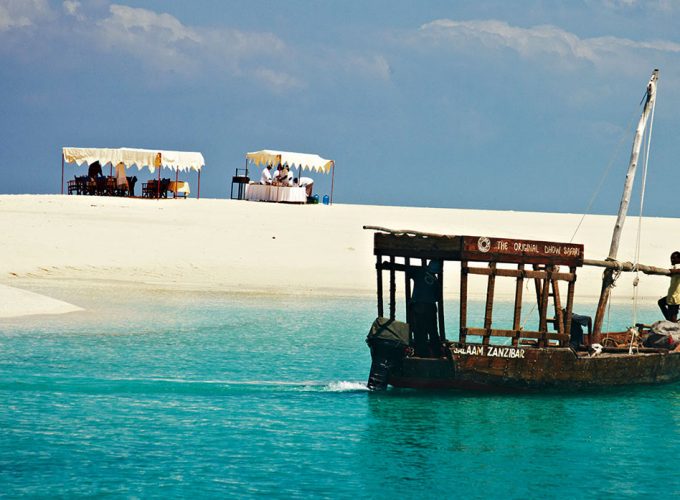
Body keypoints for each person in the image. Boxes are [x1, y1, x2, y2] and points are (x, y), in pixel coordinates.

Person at [407, 260, 443, 357]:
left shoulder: (419, 272)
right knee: (433, 331)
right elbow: (438, 297)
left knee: (419, 331)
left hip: (418, 306)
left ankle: (421, 353)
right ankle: (436, 353)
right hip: (430, 308)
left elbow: (408, 270)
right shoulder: (436, 282)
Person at [658, 251, 680, 322]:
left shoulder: (677, 270)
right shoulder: (675, 269)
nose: (672, 260)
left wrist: (670, 271)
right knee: (661, 302)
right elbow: (670, 273)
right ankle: (670, 322)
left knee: (673, 317)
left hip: (675, 298)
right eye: (671, 258)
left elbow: (675, 271)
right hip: (671, 296)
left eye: (674, 258)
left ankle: (673, 325)